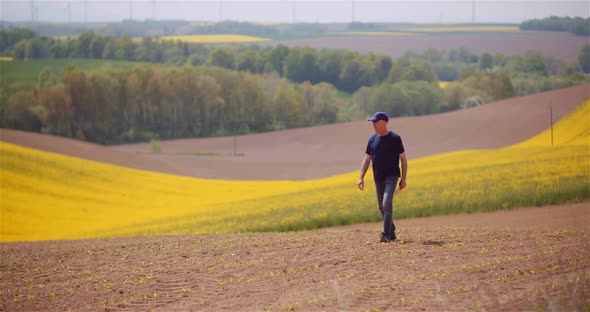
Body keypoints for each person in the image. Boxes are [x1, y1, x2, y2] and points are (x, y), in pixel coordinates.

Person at [357, 112, 407, 243]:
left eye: (375, 122)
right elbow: (367, 159)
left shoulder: (395, 138)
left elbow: (403, 159)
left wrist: (403, 179)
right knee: (381, 207)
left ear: (384, 123)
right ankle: (391, 230)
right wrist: (361, 177)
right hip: (378, 177)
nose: (373, 124)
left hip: (392, 176)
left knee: (386, 202)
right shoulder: (372, 140)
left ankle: (386, 234)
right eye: (372, 122)